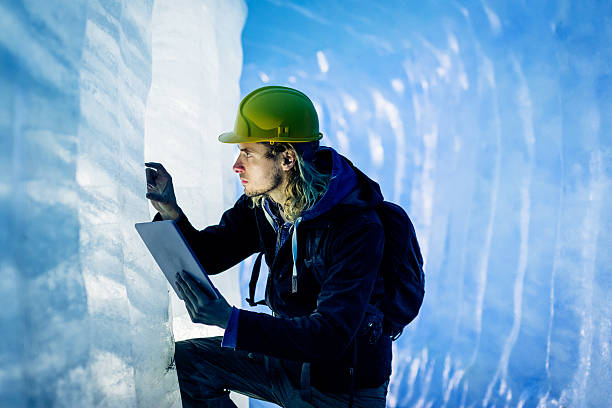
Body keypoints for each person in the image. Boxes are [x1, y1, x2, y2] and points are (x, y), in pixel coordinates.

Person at [146, 86, 391, 407]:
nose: (237, 165)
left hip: (340, 388)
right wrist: (169, 211)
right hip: (284, 362)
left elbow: (329, 337)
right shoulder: (267, 205)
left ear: (287, 158)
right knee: (190, 364)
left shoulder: (357, 228)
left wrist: (231, 321)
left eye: (248, 152)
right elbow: (211, 254)